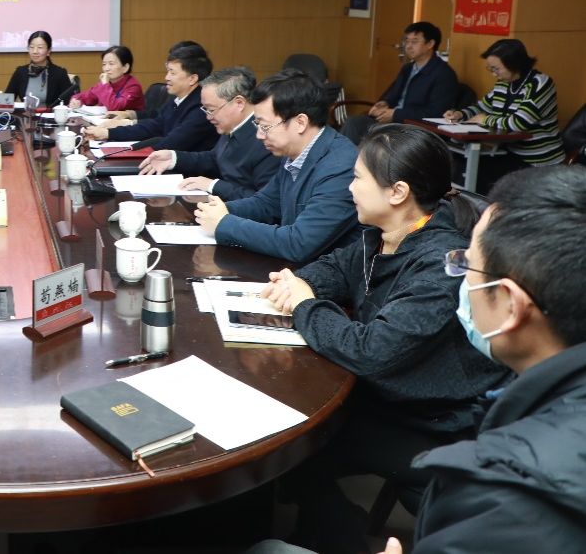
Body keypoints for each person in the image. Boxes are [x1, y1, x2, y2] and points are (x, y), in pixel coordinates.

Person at [249, 166, 586, 554]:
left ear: (510, 304)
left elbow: (372, 352)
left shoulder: (504, 496)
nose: (457, 277)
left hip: (437, 420)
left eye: (466, 265)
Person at [261, 124, 508, 554]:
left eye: (358, 178)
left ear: (397, 192)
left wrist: (304, 304)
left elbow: (371, 351)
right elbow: (335, 270)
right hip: (382, 395)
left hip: (433, 421)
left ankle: (342, 536)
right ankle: (321, 528)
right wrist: (295, 284)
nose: (350, 187)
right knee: (287, 428)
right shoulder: (380, 236)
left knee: (294, 448)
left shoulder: (440, 265)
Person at [196, 69, 359, 264]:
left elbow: (299, 243)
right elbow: (267, 204)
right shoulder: (295, 150)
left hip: (325, 274)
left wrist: (225, 224)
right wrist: (219, 209)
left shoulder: (341, 168)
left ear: (300, 123)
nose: (259, 135)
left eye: (265, 127)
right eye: (258, 126)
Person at [138, 66, 280, 200]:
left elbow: (265, 203)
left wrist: (213, 185)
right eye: (205, 109)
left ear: (239, 103)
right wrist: (174, 158)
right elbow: (215, 159)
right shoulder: (231, 125)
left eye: (211, 109)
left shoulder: (267, 140)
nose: (208, 117)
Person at [445, 37, 564, 172]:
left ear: (514, 64)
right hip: (508, 151)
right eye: (490, 69)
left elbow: (519, 123)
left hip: (538, 159)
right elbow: (482, 107)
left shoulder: (540, 83)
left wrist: (485, 119)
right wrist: (460, 114)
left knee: (475, 172)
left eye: (496, 69)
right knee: (459, 162)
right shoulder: (503, 84)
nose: (493, 74)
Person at [83, 42, 218, 153]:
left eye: (172, 73)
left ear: (192, 79)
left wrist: (127, 151)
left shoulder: (201, 107)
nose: (166, 78)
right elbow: (154, 126)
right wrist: (107, 133)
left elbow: (171, 143)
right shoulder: (177, 100)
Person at [341, 22, 459, 142]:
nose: (408, 46)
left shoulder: (443, 74)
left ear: (430, 44)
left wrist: (396, 114)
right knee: (354, 123)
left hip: (411, 128)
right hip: (391, 121)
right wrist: (384, 103)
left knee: (356, 126)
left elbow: (436, 113)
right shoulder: (408, 68)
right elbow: (392, 93)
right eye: (407, 41)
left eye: (414, 42)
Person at [3, 30, 73, 107]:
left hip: (50, 114)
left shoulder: (59, 73)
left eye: (40, 47)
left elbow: (69, 102)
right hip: (25, 114)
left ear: (49, 51)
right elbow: (7, 100)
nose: (35, 51)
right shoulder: (20, 72)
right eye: (31, 47)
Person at [68, 45, 145, 113]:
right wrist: (76, 100)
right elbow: (87, 97)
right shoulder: (106, 83)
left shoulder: (133, 87)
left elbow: (114, 107)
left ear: (125, 67)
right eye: (104, 64)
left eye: (111, 64)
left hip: (128, 124)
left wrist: (105, 85)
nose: (106, 68)